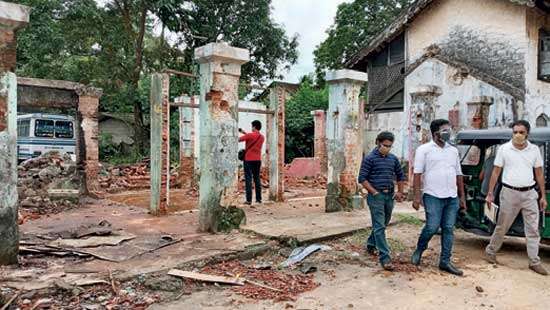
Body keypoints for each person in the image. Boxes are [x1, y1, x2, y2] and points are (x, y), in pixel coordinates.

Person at [485, 120, 548, 275]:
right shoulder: (504, 149)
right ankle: (491, 251)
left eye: (521, 132)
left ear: (527, 134)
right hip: (509, 192)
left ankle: (534, 261)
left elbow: (539, 173)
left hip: (529, 194)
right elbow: (495, 172)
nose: (518, 135)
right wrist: (490, 193)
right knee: (502, 226)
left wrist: (542, 196)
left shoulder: (534, 150)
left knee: (533, 229)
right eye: (515, 132)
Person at [411, 119, 467, 276]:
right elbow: (417, 174)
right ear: (435, 133)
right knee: (432, 227)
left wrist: (462, 197)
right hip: (432, 195)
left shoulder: (453, 151)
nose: (448, 133)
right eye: (445, 130)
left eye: (449, 129)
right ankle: (420, 249)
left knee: (449, 229)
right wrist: (416, 197)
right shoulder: (424, 150)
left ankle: (445, 261)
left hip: (451, 196)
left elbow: (458, 174)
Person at [358, 131, 406, 271]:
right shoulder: (370, 159)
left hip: (389, 196)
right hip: (376, 197)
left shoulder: (392, 159)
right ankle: (385, 257)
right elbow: (362, 179)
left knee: (383, 224)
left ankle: (371, 244)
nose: (388, 148)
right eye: (385, 145)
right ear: (378, 143)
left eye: (390, 146)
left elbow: (400, 175)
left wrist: (400, 191)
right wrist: (374, 192)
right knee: (379, 226)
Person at [239, 120, 265, 205]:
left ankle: (249, 200)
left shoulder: (249, 135)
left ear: (254, 127)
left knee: (248, 179)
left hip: (248, 160)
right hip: (258, 160)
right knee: (257, 179)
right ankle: (258, 199)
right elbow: (252, 137)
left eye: (252, 126)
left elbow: (239, 140)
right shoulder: (261, 137)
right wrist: (243, 132)